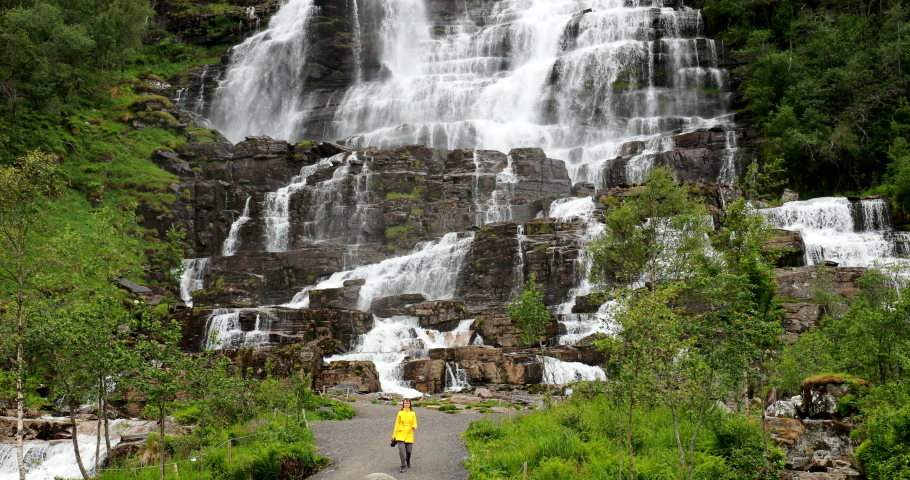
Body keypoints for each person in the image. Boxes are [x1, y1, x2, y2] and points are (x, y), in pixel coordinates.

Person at [391, 398, 417, 473]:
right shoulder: (400, 413)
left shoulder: (413, 413)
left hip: (409, 433)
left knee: (409, 450)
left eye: (408, 403)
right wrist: (394, 435)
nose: (406, 404)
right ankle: (403, 465)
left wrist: (414, 426)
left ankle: (408, 459)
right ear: (403, 404)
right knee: (401, 450)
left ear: (410, 404)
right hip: (400, 433)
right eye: (405, 403)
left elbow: (414, 422)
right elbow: (396, 424)